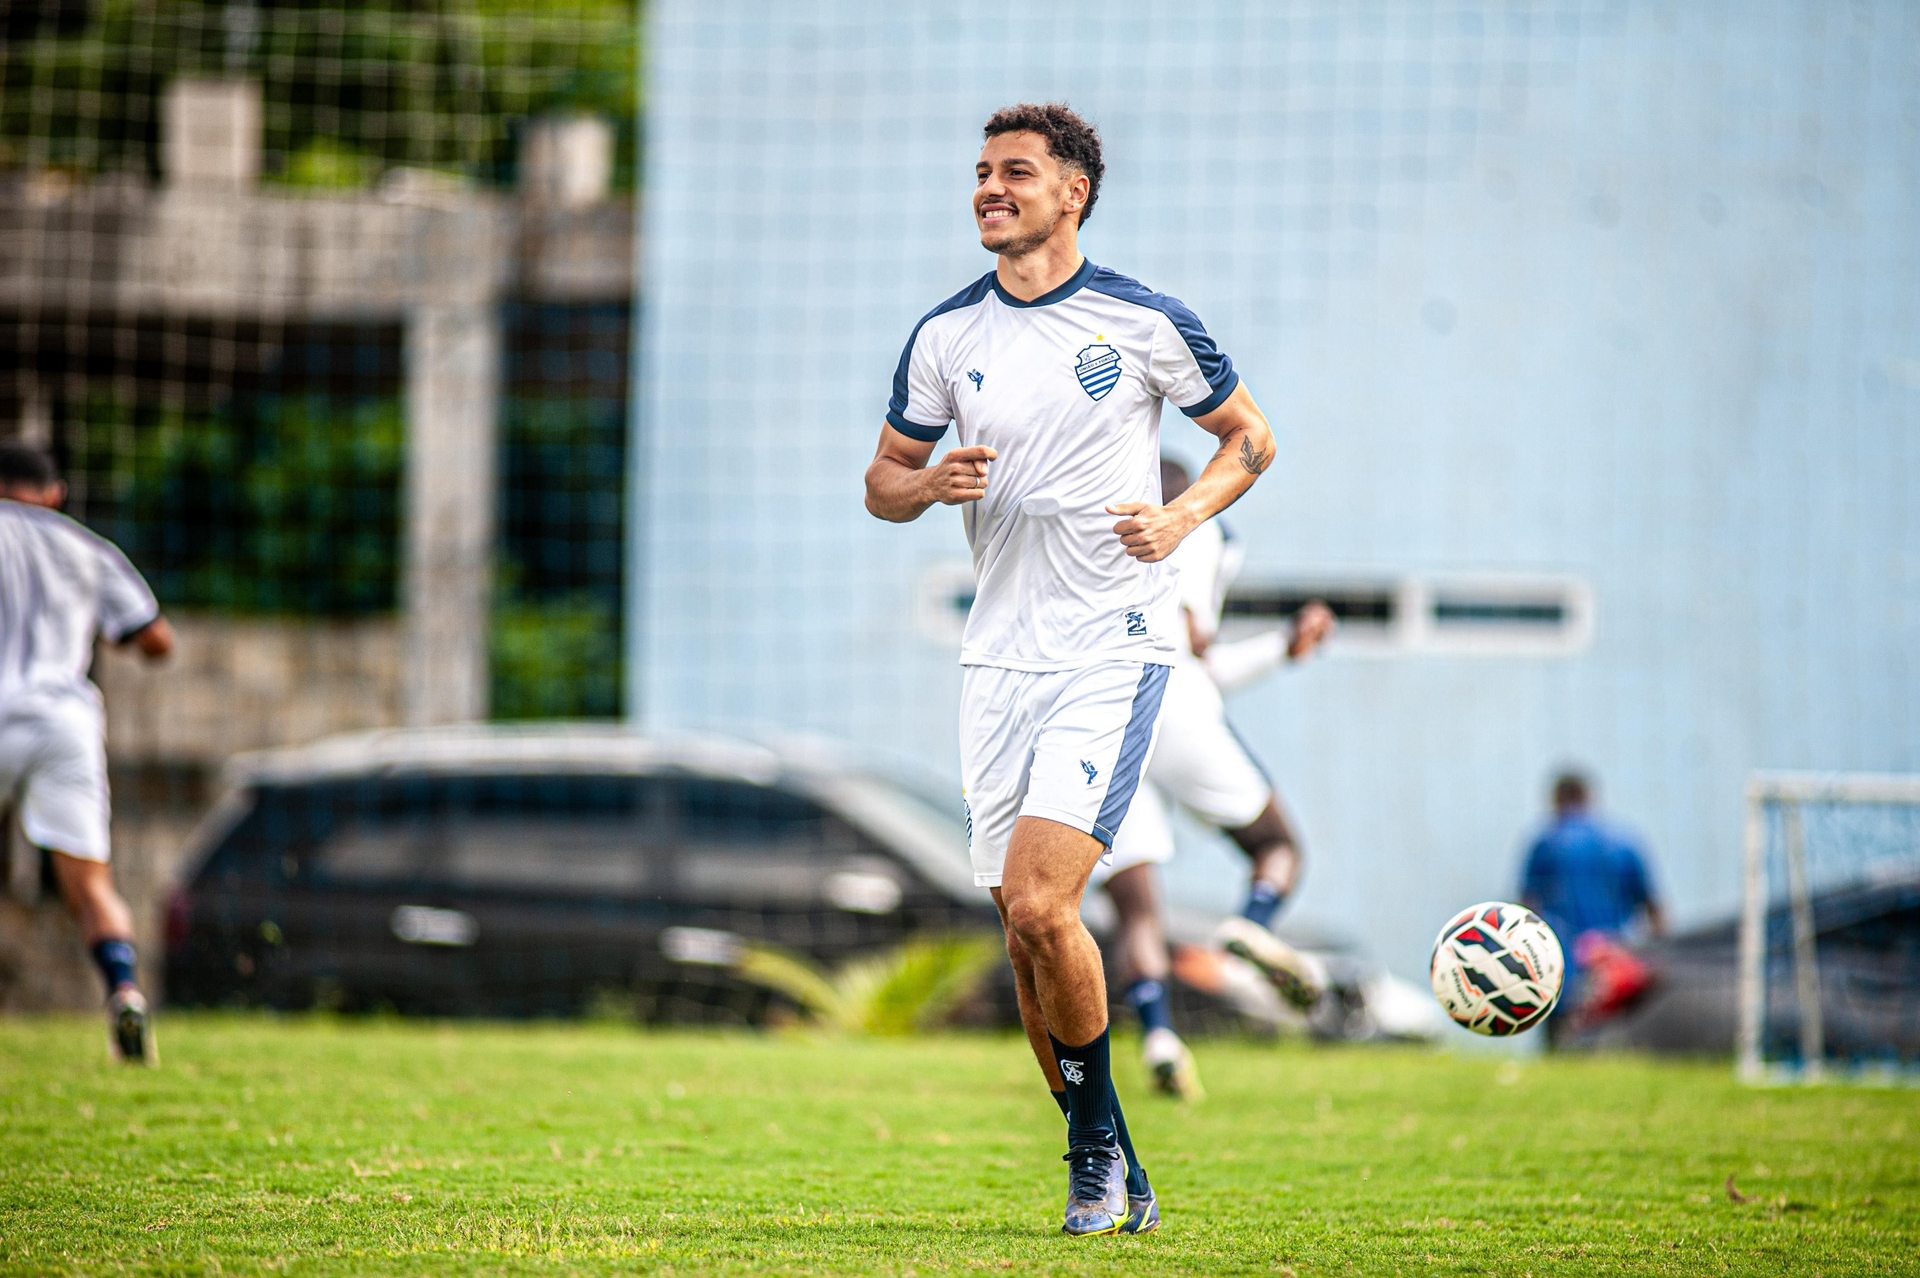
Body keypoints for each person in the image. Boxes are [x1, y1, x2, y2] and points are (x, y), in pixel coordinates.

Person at [863, 103, 1276, 1237]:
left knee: (1048, 904)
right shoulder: (946, 338)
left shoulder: (1141, 321)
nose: (990, 190)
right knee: (1020, 928)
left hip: (1113, 646)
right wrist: (929, 483)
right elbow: (881, 482)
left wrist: (1182, 515)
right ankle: (1120, 1168)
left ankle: (1091, 1154)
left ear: (1073, 193)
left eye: (1016, 174)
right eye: (982, 174)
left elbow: (1251, 437)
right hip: (997, 660)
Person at [1093, 459, 1336, 1100]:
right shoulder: (1201, 531)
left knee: (1137, 905)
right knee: (1276, 847)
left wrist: (1281, 647)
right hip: (1174, 701)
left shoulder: (1096, 533)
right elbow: (1197, 653)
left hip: (1098, 719)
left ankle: (1159, 1036)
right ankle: (1252, 922)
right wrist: (1283, 645)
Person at [0, 443, 174, 1062]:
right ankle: (123, 988)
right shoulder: (84, 547)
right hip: (63, 722)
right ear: (55, 493)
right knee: (91, 882)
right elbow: (156, 638)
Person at [1519, 770, 1665, 1045]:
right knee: (1609, 1043)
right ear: (1588, 798)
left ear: (1556, 800)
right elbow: (1653, 907)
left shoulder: (1547, 842)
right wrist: (1658, 953)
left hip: (1560, 964)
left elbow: (1526, 905)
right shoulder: (1624, 841)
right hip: (1612, 962)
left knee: (1561, 1049)